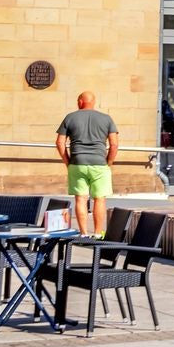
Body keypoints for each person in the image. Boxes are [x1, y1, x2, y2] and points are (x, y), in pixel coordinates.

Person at [55, 91, 120, 237]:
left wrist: (67, 161)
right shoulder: (106, 118)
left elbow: (59, 142)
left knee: (80, 198)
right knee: (100, 199)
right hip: (100, 163)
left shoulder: (70, 117)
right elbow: (114, 144)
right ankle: (97, 234)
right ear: (94, 102)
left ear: (80, 102)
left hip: (77, 162)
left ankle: (83, 233)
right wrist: (109, 162)